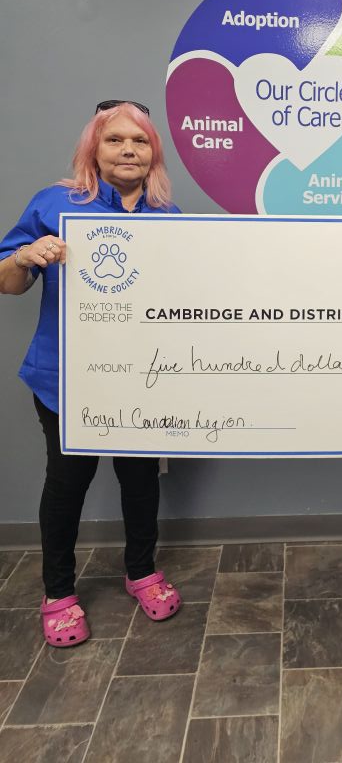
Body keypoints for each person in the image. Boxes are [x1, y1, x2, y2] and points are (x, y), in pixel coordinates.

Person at [0, 101, 182, 646]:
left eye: (140, 141)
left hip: (141, 378)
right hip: (66, 379)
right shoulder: (55, 203)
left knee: (140, 480)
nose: (128, 150)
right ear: (93, 149)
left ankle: (141, 571)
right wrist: (26, 256)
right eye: (115, 140)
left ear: (153, 153)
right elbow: (7, 282)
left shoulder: (168, 216)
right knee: (66, 484)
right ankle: (58, 593)